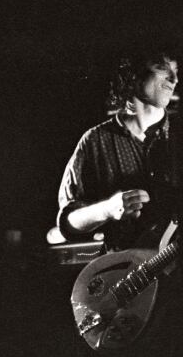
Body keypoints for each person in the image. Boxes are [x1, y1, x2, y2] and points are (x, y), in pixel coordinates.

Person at [57, 49, 183, 354]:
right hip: (126, 284)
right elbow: (67, 222)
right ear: (133, 77)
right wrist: (108, 209)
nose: (174, 78)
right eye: (162, 68)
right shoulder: (95, 141)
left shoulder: (178, 137)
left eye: (176, 71)